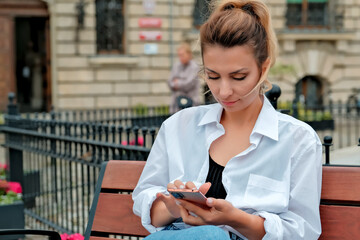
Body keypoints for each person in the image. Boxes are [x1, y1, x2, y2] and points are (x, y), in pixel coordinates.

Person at [133, 0, 322, 239]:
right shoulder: (178, 126)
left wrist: (236, 219)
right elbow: (144, 199)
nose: (223, 91)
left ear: (264, 68)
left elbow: (303, 231)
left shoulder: (297, 140)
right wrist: (173, 207)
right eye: (212, 76)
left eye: (239, 77)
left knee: (213, 235)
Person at [168, 43, 200, 113]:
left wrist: (177, 82)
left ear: (189, 54)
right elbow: (170, 82)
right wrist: (178, 83)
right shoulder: (176, 66)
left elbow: (189, 84)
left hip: (190, 104)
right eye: (179, 55)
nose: (180, 57)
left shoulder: (194, 67)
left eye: (182, 55)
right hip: (176, 105)